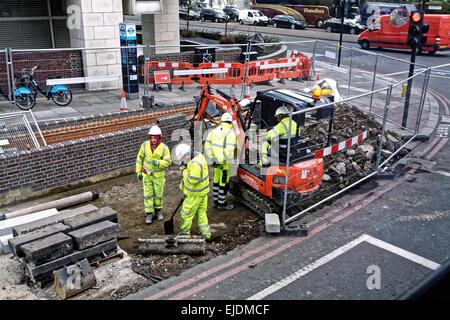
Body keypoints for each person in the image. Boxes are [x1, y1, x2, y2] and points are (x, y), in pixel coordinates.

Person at [173, 143, 211, 240]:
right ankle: (206, 234)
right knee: (201, 213)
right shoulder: (199, 156)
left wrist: (184, 171)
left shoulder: (195, 164)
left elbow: (192, 180)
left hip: (194, 194)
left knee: (186, 214)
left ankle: (185, 235)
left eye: (183, 158)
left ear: (187, 154)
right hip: (202, 192)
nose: (183, 160)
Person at [136, 125, 172, 225]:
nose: (153, 139)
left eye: (155, 137)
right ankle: (149, 214)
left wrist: (159, 162)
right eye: (152, 137)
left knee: (158, 194)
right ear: (149, 137)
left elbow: (168, 162)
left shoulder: (164, 148)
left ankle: (158, 211)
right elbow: (139, 158)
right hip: (146, 175)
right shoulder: (144, 145)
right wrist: (138, 171)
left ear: (159, 137)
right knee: (148, 194)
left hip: (158, 176)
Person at [204, 112, 237, 210]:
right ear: (230, 122)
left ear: (222, 121)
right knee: (223, 182)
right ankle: (221, 204)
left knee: (216, 180)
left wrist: (212, 158)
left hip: (215, 163)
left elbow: (207, 145)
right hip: (224, 164)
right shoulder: (230, 133)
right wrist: (220, 160)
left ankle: (216, 201)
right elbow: (229, 150)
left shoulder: (213, 131)